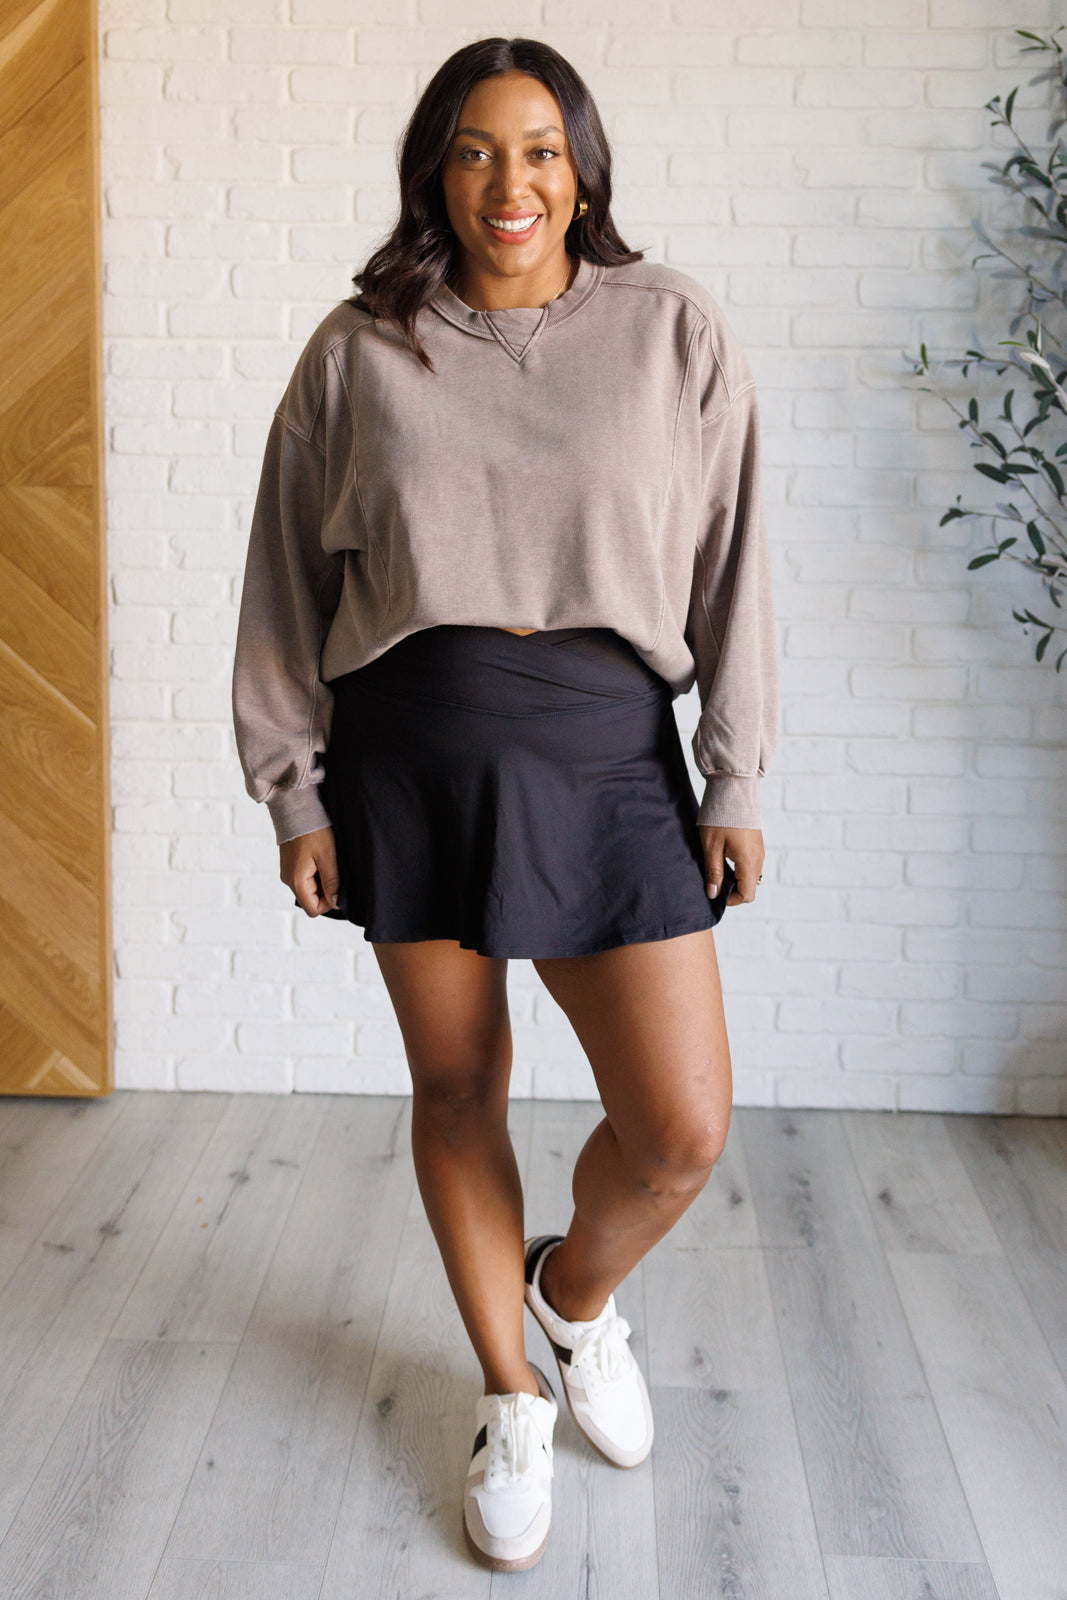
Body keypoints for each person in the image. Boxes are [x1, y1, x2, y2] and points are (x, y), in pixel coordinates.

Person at [231, 34, 777, 1575]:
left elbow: (736, 562)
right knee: (461, 1085)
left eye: (540, 150)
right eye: (475, 150)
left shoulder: (671, 329)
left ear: (582, 170)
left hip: (606, 750)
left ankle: (572, 1295)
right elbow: (282, 588)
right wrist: (292, 793)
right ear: (436, 172)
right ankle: (510, 1391)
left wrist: (734, 770)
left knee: (679, 1125)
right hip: (409, 749)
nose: (509, 182)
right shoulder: (359, 350)